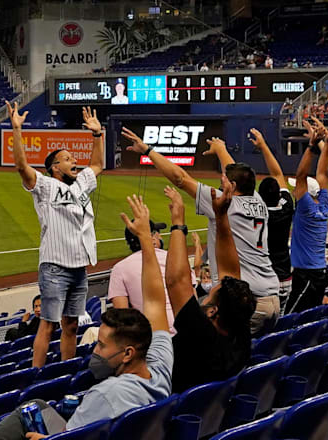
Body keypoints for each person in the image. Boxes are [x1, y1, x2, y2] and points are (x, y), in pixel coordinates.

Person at [0, 195, 172, 440]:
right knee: (37, 405)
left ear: (128, 353)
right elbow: (155, 302)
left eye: (102, 345)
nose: (95, 350)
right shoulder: (161, 368)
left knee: (19, 421)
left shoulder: (106, 394)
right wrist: (146, 239)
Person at [120, 127, 281, 335]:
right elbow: (233, 172)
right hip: (272, 296)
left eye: (224, 181)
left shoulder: (225, 204)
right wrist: (222, 149)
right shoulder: (257, 201)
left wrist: (147, 150)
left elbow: (181, 178)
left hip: (247, 301)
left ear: (231, 186)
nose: (220, 182)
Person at [8, 102, 106, 367]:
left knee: (72, 325)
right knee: (48, 326)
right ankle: (36, 374)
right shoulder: (46, 186)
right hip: (54, 267)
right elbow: (21, 167)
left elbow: (97, 164)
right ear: (54, 167)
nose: (74, 161)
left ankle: (65, 371)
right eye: (67, 159)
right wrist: (16, 130)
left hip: (79, 268)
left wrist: (97, 135)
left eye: (73, 158)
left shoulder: (82, 183)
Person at [163, 183, 255, 392]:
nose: (218, 281)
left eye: (215, 288)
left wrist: (178, 224)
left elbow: (177, 281)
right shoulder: (240, 332)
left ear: (213, 311)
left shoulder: (200, 333)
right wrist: (221, 216)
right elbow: (229, 270)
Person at [109, 216, 192, 332]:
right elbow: (193, 297)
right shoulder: (177, 258)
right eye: (157, 233)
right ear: (151, 237)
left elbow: (122, 318)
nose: (160, 236)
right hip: (188, 330)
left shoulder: (119, 268)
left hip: (152, 336)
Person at [287, 121, 328, 312]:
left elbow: (301, 175)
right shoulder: (323, 204)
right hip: (318, 273)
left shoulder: (305, 206)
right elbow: (322, 173)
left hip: (306, 276)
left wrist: (312, 146)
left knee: (289, 318)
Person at [249, 128, 294, 305]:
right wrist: (263, 146)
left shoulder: (253, 212)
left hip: (262, 279)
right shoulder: (286, 207)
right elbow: (277, 174)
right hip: (284, 278)